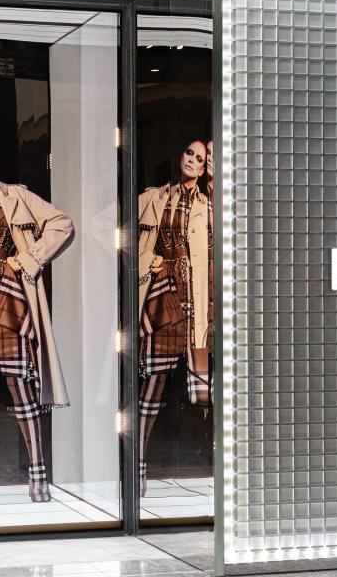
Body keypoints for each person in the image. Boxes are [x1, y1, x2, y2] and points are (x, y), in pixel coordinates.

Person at [137, 140, 212, 497]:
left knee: (202, 387)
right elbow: (111, 225)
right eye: (189, 153)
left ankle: (210, 464)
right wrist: (144, 259)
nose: (192, 161)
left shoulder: (207, 205)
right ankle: (138, 463)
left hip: (193, 299)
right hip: (162, 294)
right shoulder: (156, 197)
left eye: (200, 159)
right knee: (154, 382)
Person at [0, 183, 74, 501]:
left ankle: (38, 471)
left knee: (20, 384)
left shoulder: (15, 196)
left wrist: (29, 259)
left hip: (7, 295)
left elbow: (63, 224)